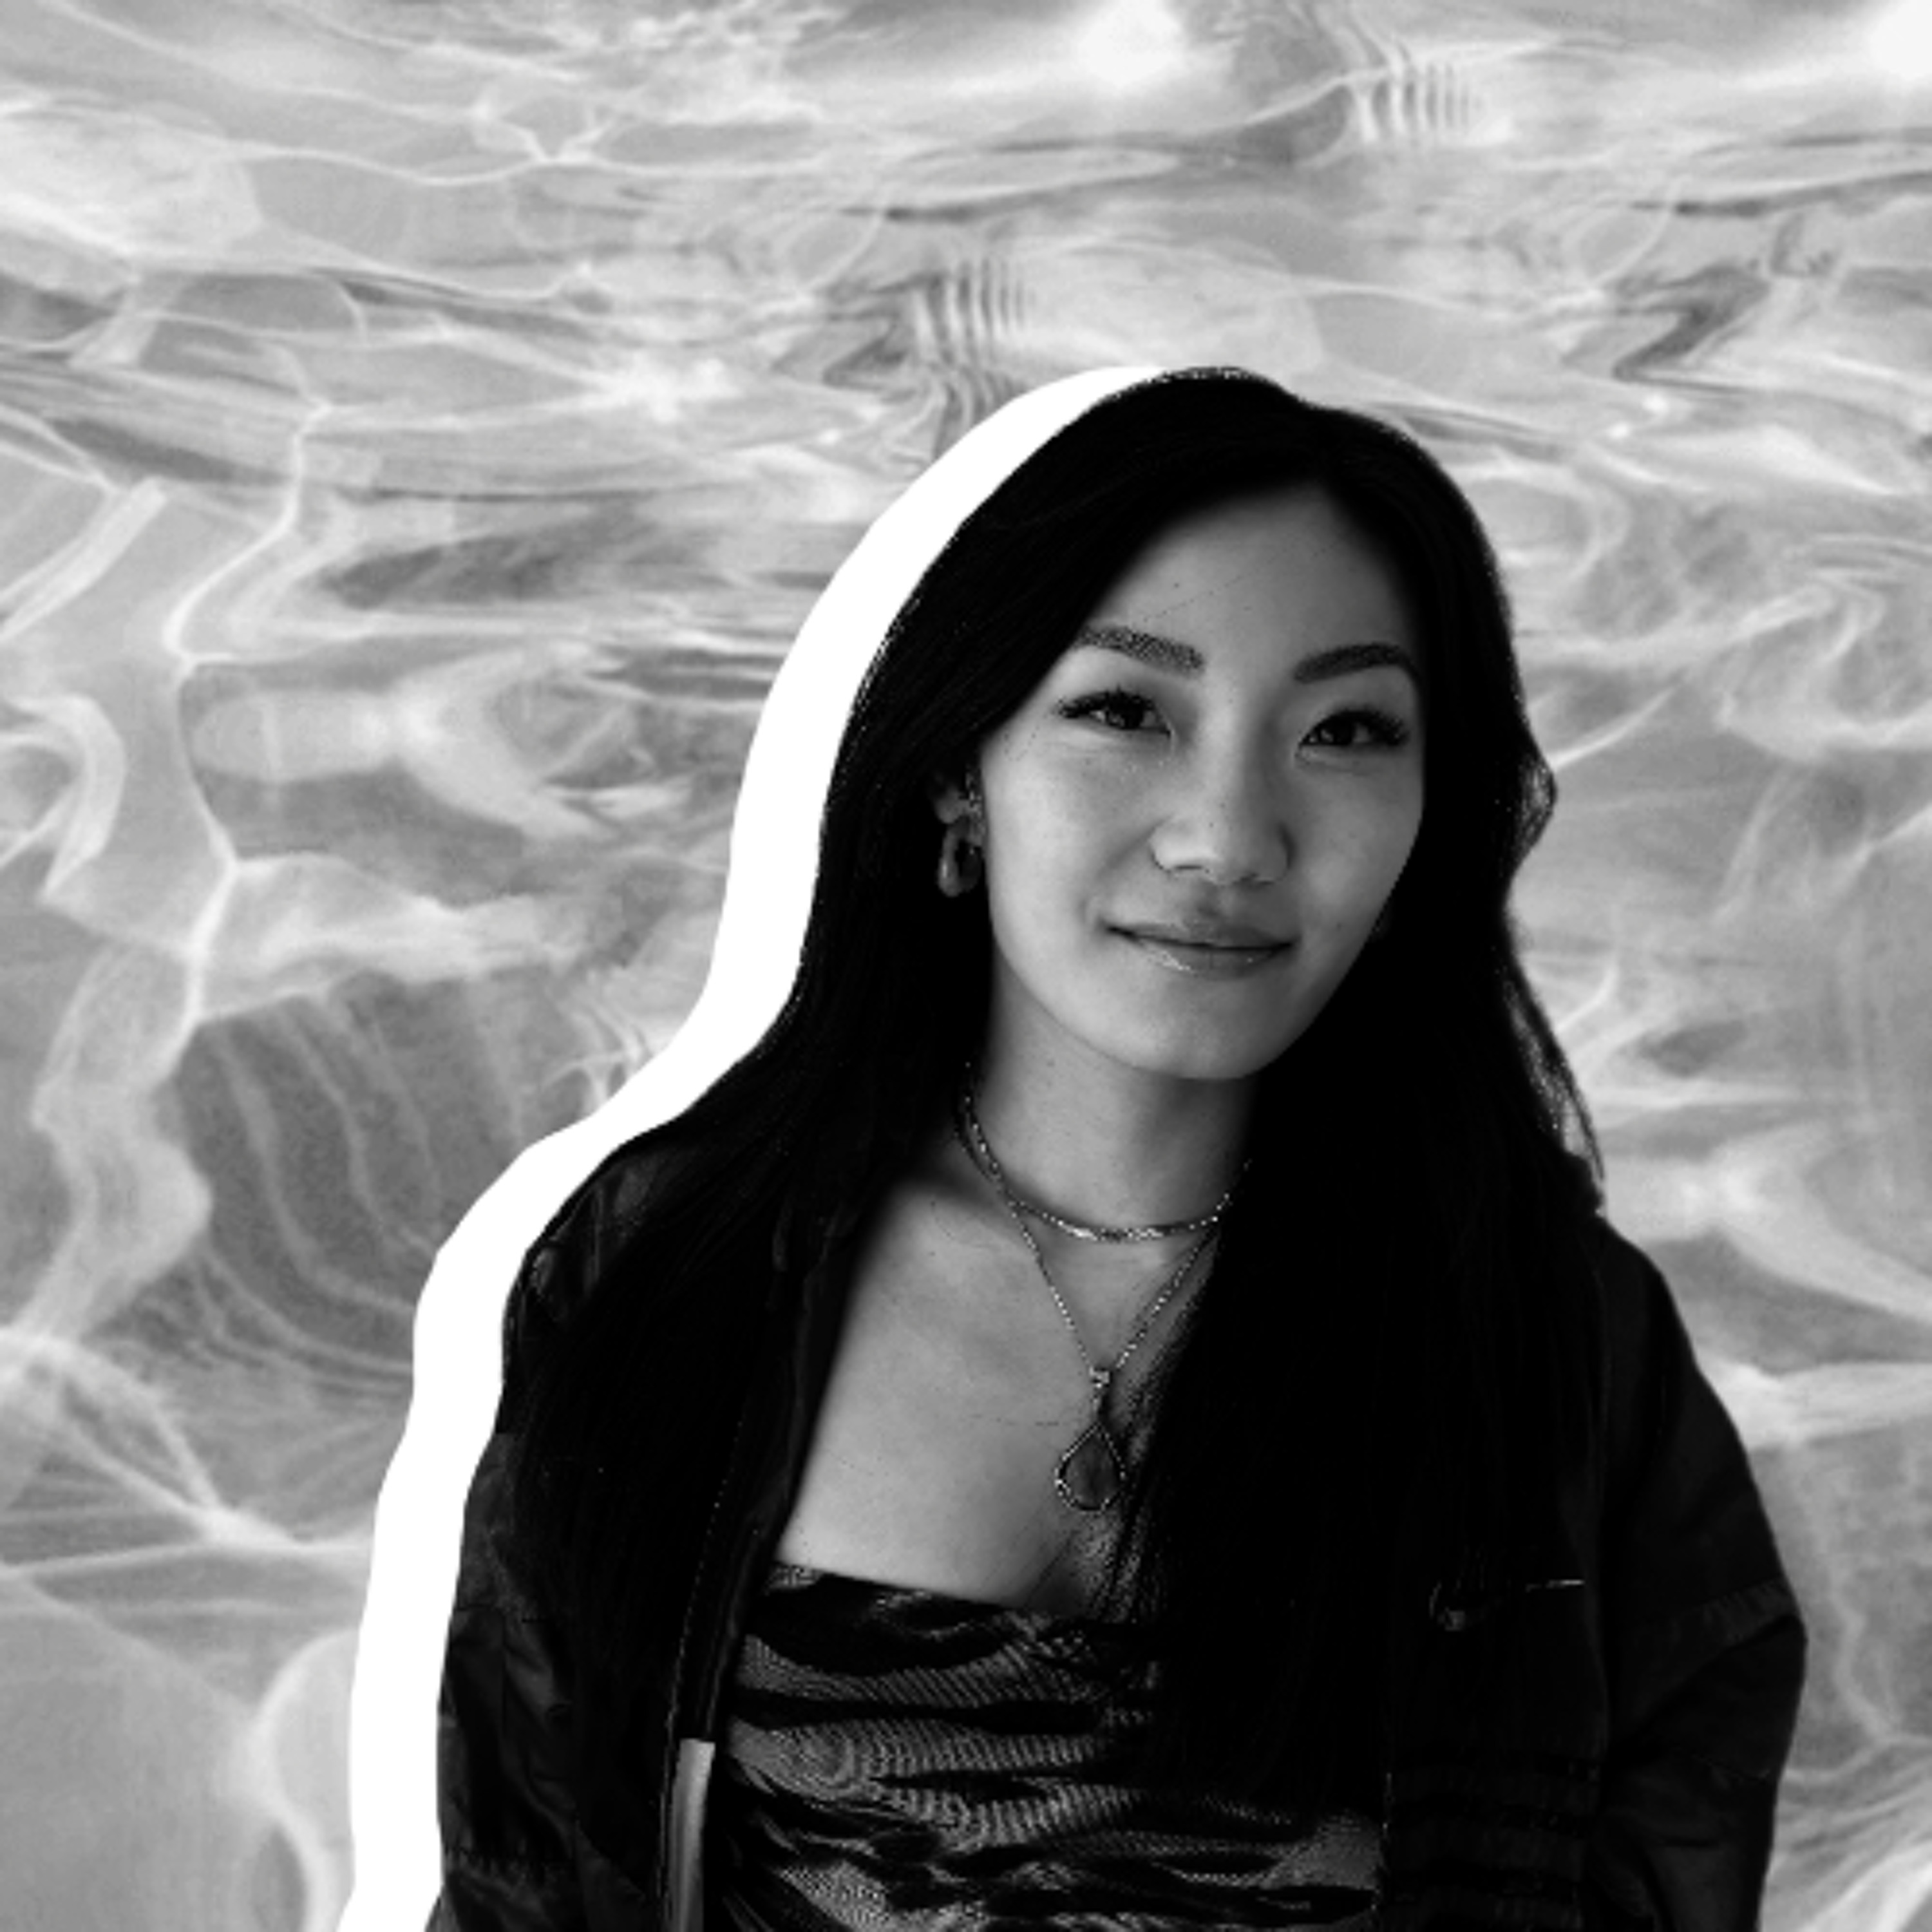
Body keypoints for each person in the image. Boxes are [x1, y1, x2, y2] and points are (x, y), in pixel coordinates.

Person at [423, 366, 1808, 1930]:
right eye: (1125, 711)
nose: (1229, 837)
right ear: (959, 766)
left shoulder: (1560, 1352)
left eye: (1347, 729)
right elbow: (528, 1880)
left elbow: (1665, 1854)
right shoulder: (682, 1269)